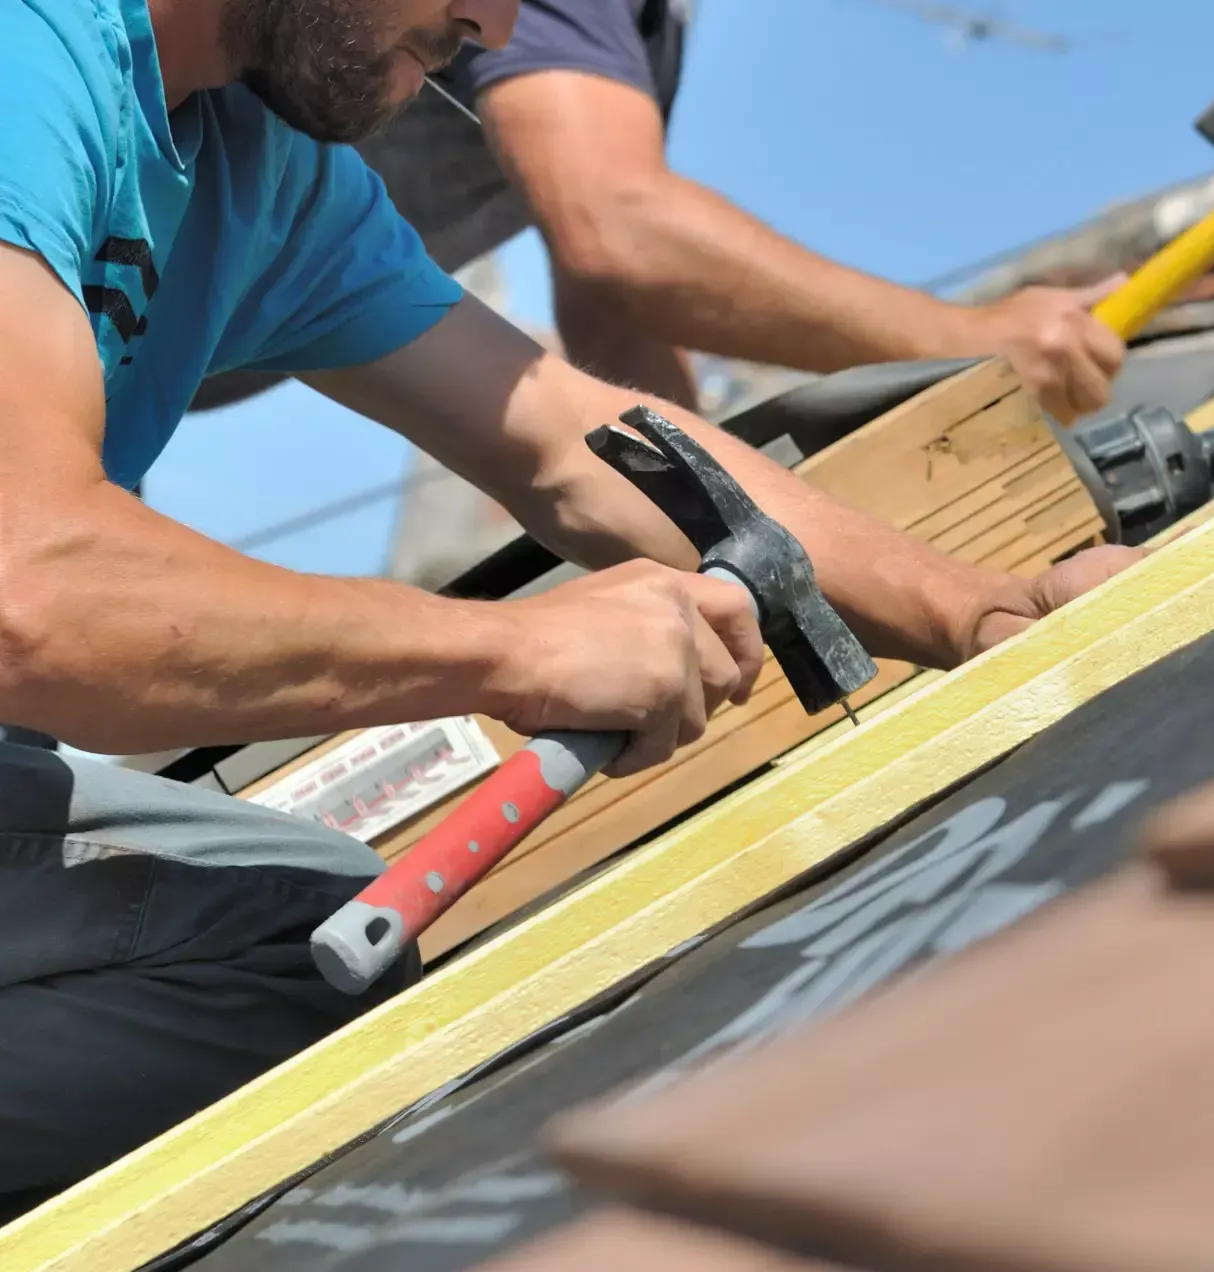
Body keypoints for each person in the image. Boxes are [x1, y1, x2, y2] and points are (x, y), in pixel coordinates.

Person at [0, 0, 1137, 1218]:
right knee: (294, 937)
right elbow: (33, 591)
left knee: (305, 946)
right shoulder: (33, 54)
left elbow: (568, 442)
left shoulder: (265, 173)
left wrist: (987, 613)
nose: (493, 23)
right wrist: (516, 648)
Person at [193, 0, 1128, 423]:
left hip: (158, 342)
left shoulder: (641, 35)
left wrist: (720, 526)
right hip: (91, 261)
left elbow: (617, 311)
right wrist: (970, 342)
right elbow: (623, 235)